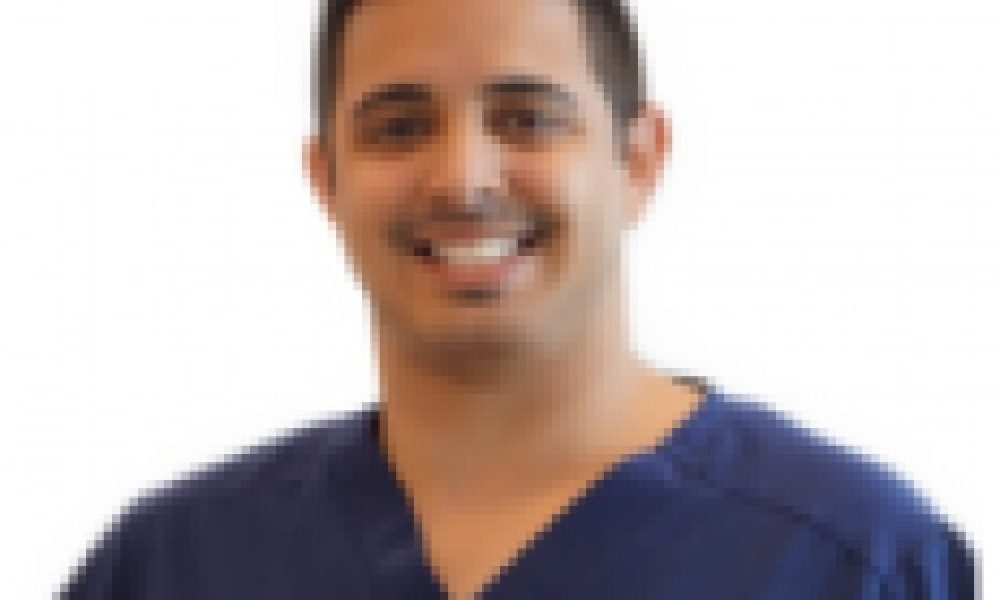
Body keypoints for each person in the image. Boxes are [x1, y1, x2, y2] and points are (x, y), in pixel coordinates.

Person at [61, 0, 977, 598]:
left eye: (529, 118)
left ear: (638, 160)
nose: (463, 178)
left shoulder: (852, 563)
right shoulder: (173, 566)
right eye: (399, 127)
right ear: (325, 179)